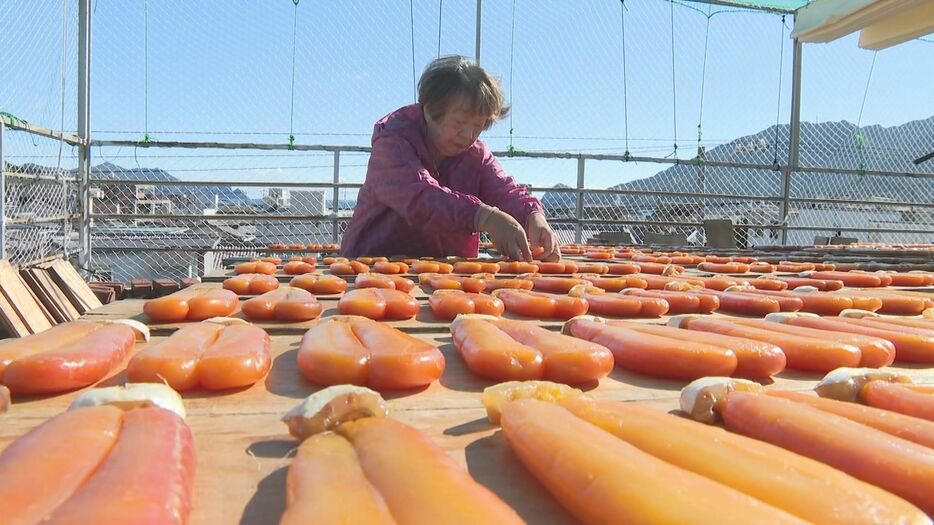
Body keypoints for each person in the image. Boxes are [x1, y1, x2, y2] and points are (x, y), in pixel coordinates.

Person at [340, 55, 560, 262]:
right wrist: (483, 217)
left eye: (479, 125)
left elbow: (504, 191)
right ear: (430, 111)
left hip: (445, 278)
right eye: (459, 123)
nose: (469, 135)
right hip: (371, 266)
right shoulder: (393, 142)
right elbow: (419, 197)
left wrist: (533, 216)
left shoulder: (476, 155)